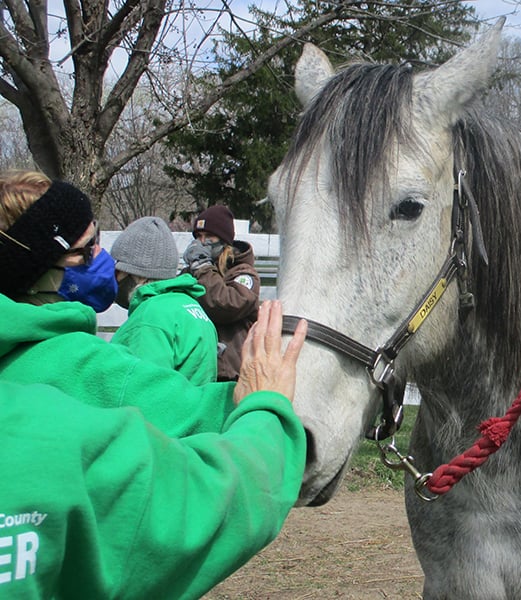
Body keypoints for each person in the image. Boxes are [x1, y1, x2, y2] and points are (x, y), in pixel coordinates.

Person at [0, 299, 311, 598]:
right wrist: (261, 406)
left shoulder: (151, 316)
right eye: (84, 251)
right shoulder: (190, 308)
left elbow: (143, 392)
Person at [1, 170, 234, 437]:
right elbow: (175, 410)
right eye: (87, 249)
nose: (104, 258)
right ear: (32, 270)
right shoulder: (83, 363)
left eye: (98, 239)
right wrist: (258, 397)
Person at [110, 215, 219, 384]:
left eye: (117, 271)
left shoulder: (150, 317)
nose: (115, 278)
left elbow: (139, 389)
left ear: (133, 272)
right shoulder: (188, 305)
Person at [0, 170, 116, 312]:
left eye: (95, 238)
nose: (100, 253)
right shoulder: (70, 335)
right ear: (31, 280)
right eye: (85, 249)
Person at [182, 205, 261, 381]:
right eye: (199, 237)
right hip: (196, 372)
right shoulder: (193, 272)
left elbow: (227, 303)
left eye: (209, 236)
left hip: (232, 375)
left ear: (224, 241)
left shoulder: (244, 273)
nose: (202, 243)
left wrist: (203, 268)